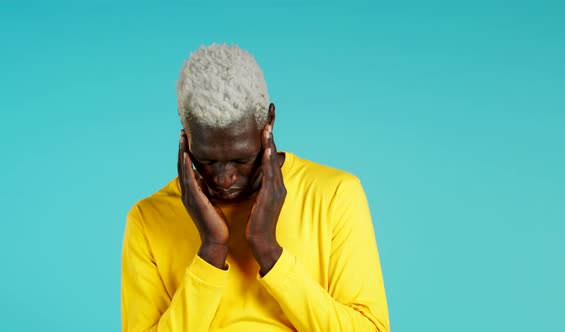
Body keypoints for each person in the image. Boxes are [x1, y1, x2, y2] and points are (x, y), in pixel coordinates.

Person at [121, 43, 390, 331]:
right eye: (208, 160)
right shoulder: (148, 218)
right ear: (185, 135)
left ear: (268, 123)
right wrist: (212, 249)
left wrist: (269, 250)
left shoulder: (335, 195)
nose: (225, 178)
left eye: (241, 158)